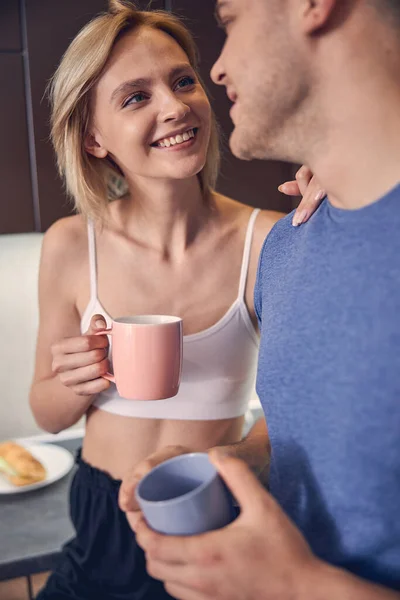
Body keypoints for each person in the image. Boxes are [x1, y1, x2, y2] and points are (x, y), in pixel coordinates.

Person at [29, 2, 320, 599]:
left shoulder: (267, 240)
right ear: (93, 137)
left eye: (182, 80)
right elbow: (47, 413)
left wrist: (229, 458)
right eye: (135, 97)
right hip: (100, 515)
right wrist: (75, 382)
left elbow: (302, 415)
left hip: (206, 508)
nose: (175, 106)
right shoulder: (68, 243)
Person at [120, 0, 400, 598]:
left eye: (228, 20)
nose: (214, 71)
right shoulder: (291, 246)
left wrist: (293, 586)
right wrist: (235, 461)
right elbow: (296, 435)